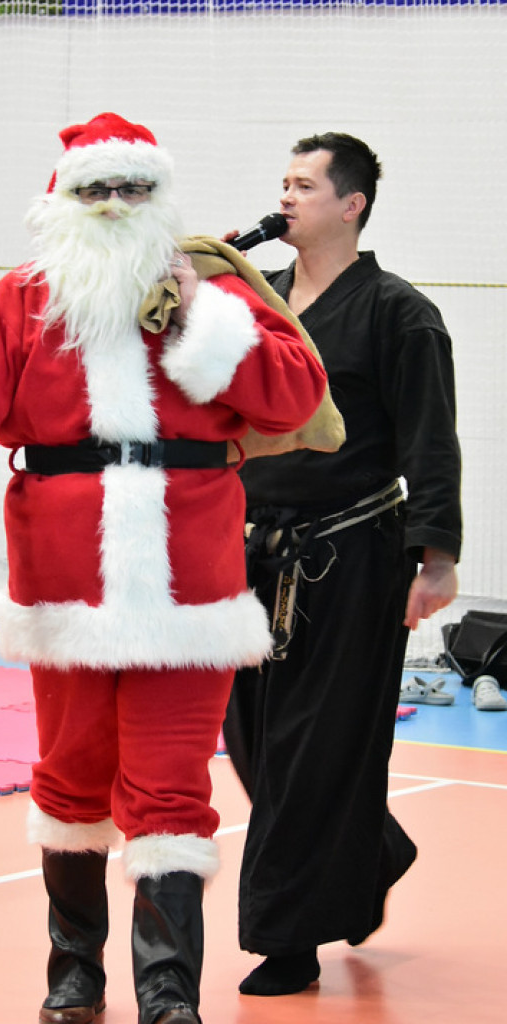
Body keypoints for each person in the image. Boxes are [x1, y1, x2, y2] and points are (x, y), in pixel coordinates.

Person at [0, 112, 330, 1024]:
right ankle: (75, 974)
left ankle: (168, 991)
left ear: (162, 200)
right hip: (66, 582)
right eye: (98, 190)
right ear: (63, 201)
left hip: (192, 586)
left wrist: (198, 315)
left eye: (136, 189)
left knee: (174, 786)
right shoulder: (19, 303)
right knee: (72, 776)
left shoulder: (215, 290)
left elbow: (297, 395)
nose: (117, 206)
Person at [222, 132, 463, 997]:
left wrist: (434, 557)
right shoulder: (255, 302)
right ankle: (373, 851)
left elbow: (432, 440)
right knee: (248, 737)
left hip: (353, 557)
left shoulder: (400, 313)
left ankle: (289, 938)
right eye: (281, 183)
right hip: (250, 553)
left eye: (305, 186)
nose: (285, 198)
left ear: (351, 204)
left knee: (312, 749)